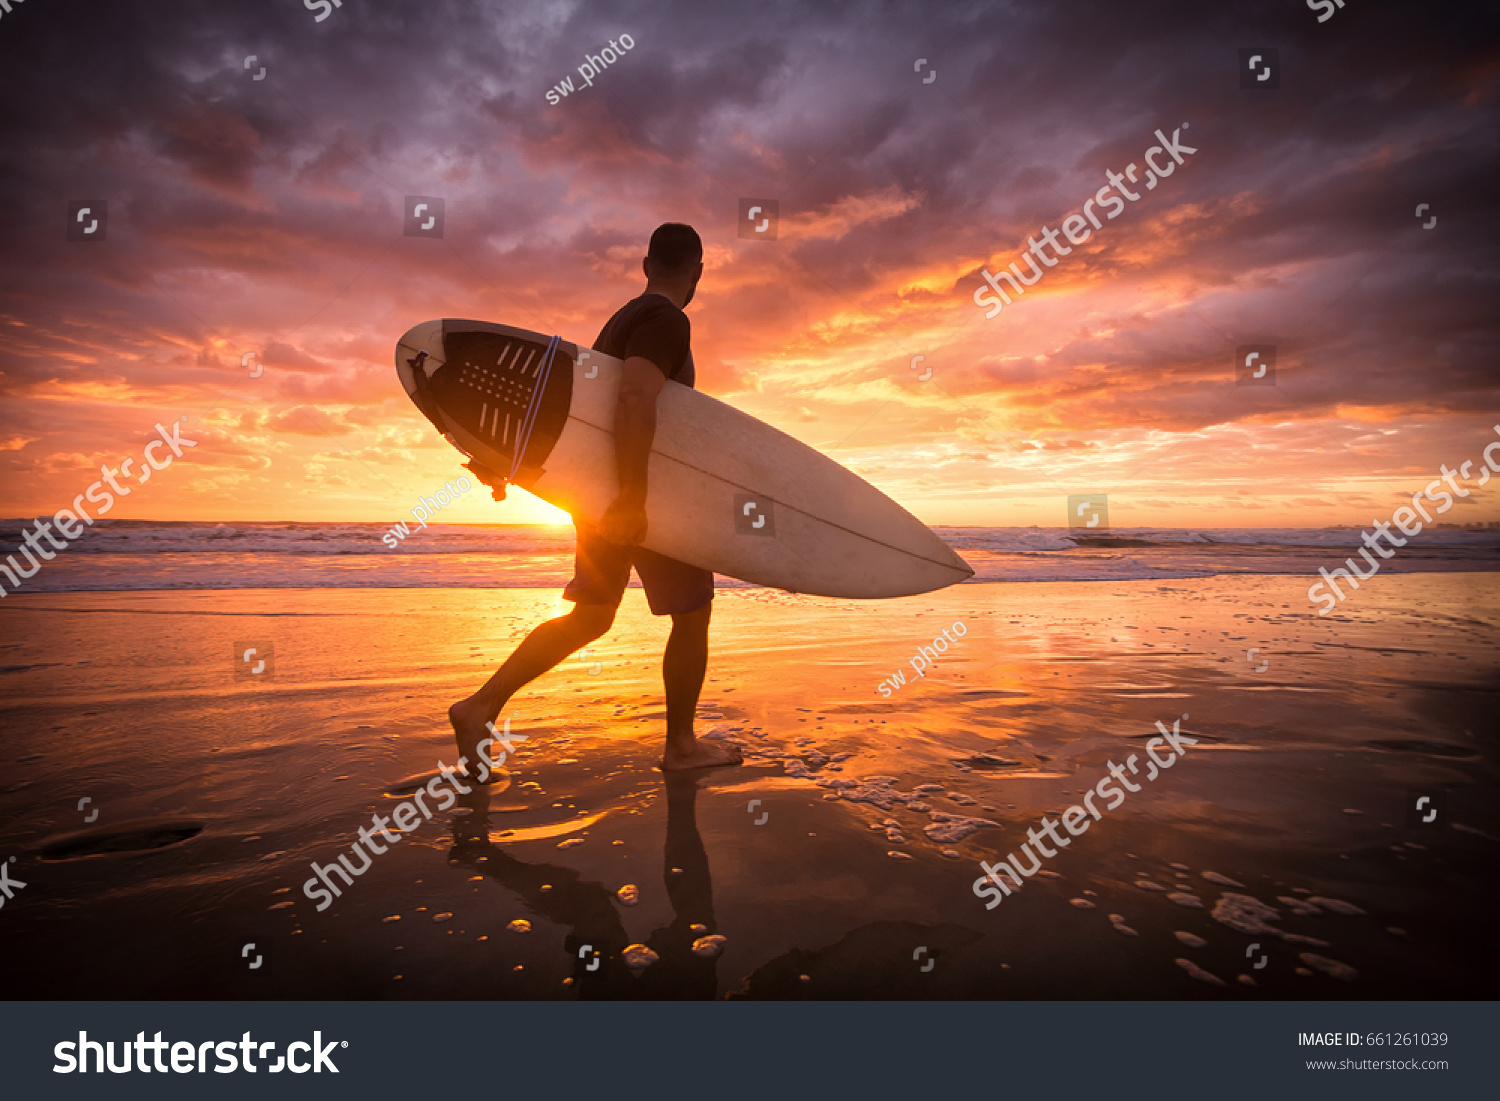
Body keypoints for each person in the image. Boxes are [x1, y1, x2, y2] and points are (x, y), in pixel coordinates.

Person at [449, 223, 743, 775]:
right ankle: (681, 746)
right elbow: (633, 398)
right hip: (644, 497)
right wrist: (633, 497)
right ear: (698, 272)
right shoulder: (666, 320)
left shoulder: (620, 320)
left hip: (594, 494)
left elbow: (575, 415)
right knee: (691, 614)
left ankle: (480, 706)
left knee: (591, 616)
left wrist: (511, 462)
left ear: (646, 265)